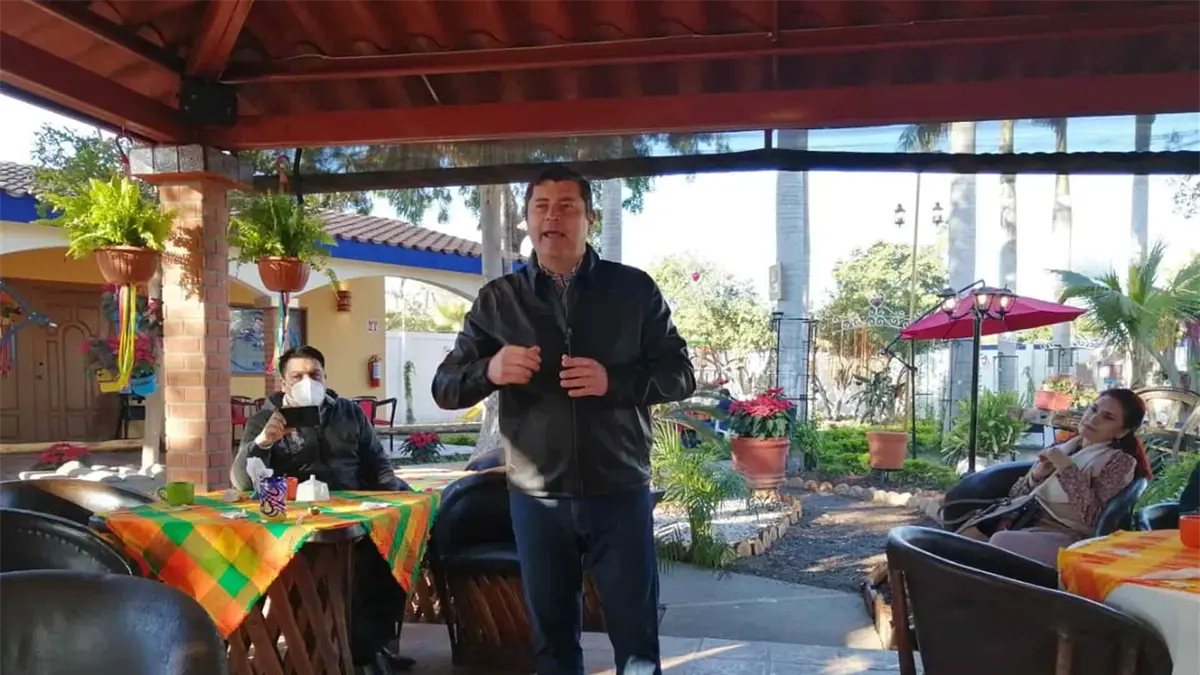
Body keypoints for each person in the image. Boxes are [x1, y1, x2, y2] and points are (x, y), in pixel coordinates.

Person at [432, 164, 696, 675]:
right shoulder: (498, 300)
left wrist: (613, 381)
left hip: (619, 490)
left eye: (567, 206)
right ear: (528, 220)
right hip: (536, 499)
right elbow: (445, 386)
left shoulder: (634, 290)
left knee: (637, 639)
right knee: (551, 642)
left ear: (589, 218)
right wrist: (490, 369)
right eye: (542, 207)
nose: (553, 217)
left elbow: (680, 375)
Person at [232, 345, 414, 675]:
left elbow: (378, 463)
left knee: (391, 553)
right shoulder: (266, 418)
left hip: (357, 513)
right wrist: (263, 442)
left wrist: (396, 499)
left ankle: (369, 650)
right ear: (283, 383)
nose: (307, 382)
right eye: (297, 376)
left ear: (325, 377)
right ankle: (342, 654)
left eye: (314, 375)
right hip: (298, 524)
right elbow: (242, 482)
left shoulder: (349, 413)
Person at [957, 388, 1151, 566]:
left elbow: (1094, 517)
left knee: (1001, 542)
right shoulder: (1064, 446)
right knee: (963, 539)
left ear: (1122, 431)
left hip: (1068, 536)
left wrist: (1066, 467)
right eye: (1093, 409)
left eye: (1107, 417)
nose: (1093, 419)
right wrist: (1036, 476)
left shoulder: (1120, 462)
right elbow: (1015, 496)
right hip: (1024, 519)